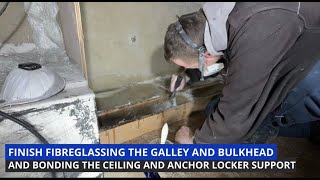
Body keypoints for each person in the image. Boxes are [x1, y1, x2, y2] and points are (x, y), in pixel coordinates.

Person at [163, 2, 320, 144]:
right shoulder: (218, 16)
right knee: (213, 109)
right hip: (295, 49)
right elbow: (218, 52)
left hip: (310, 77)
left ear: (207, 55)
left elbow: (236, 111)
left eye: (193, 67)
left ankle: (313, 128)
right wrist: (188, 77)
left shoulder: (257, 32)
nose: (194, 69)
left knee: (244, 128)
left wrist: (195, 145)